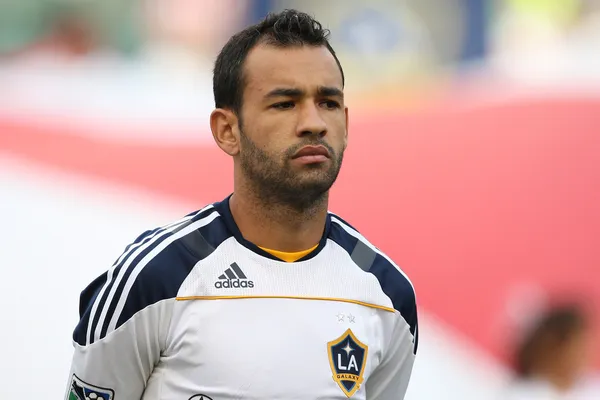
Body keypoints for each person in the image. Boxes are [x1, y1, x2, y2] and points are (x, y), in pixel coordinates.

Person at [65, 9, 418, 400]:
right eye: (285, 103)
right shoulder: (155, 278)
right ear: (227, 131)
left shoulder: (388, 295)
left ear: (347, 125)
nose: (314, 122)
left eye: (329, 103)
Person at [503, 303, 596, 400]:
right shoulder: (521, 394)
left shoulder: (593, 387)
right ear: (552, 347)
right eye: (577, 344)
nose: (584, 352)